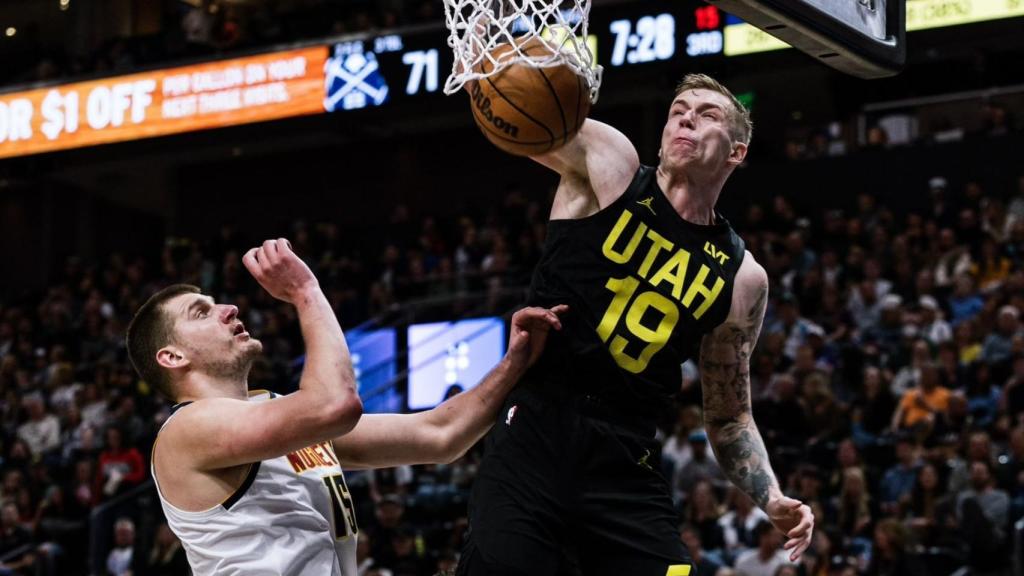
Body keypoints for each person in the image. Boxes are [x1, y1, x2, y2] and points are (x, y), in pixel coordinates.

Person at [456, 74, 813, 576]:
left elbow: (730, 415)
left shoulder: (742, 277)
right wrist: (493, 68)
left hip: (625, 453)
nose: (686, 117)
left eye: (707, 113)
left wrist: (770, 495)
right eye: (678, 110)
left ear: (737, 152)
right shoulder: (613, 168)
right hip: (538, 423)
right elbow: (523, 115)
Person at [127, 238, 565, 575]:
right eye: (201, 313)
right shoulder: (187, 430)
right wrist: (304, 290)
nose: (228, 308)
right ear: (172, 357)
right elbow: (337, 403)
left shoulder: (280, 417)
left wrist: (516, 360)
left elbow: (439, 436)